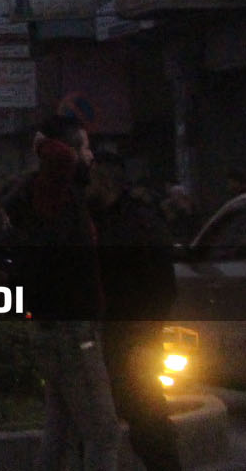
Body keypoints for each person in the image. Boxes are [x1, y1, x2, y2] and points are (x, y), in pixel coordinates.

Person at [5, 115, 121, 471]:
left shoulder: (56, 194)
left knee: (62, 428)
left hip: (59, 327)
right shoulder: (52, 188)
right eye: (84, 146)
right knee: (103, 433)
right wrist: (44, 143)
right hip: (71, 330)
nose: (90, 156)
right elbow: (60, 158)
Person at [88, 150, 181, 471]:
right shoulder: (93, 220)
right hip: (102, 334)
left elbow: (162, 286)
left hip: (132, 336)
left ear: (104, 180)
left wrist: (147, 338)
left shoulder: (139, 223)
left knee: (147, 419)